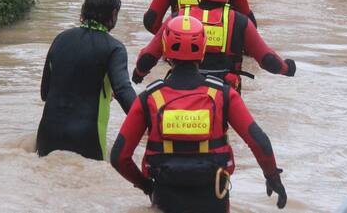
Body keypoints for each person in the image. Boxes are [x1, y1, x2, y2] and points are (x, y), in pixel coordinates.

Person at [111, 15, 288, 212]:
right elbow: (259, 141)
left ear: (166, 50)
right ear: (202, 50)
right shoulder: (224, 95)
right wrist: (272, 177)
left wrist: (146, 186)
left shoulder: (149, 98)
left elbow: (119, 157)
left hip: (164, 198)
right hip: (214, 197)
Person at [133, 0, 295, 91]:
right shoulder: (240, 21)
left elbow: (149, 55)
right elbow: (267, 59)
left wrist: (138, 74)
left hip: (180, 86)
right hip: (224, 92)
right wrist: (287, 68)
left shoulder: (178, 18)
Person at [36, 0, 136, 161]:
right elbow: (123, 91)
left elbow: (45, 93)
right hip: (87, 140)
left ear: (84, 10)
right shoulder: (114, 48)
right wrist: (150, 121)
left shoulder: (61, 39)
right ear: (113, 14)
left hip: (47, 137)